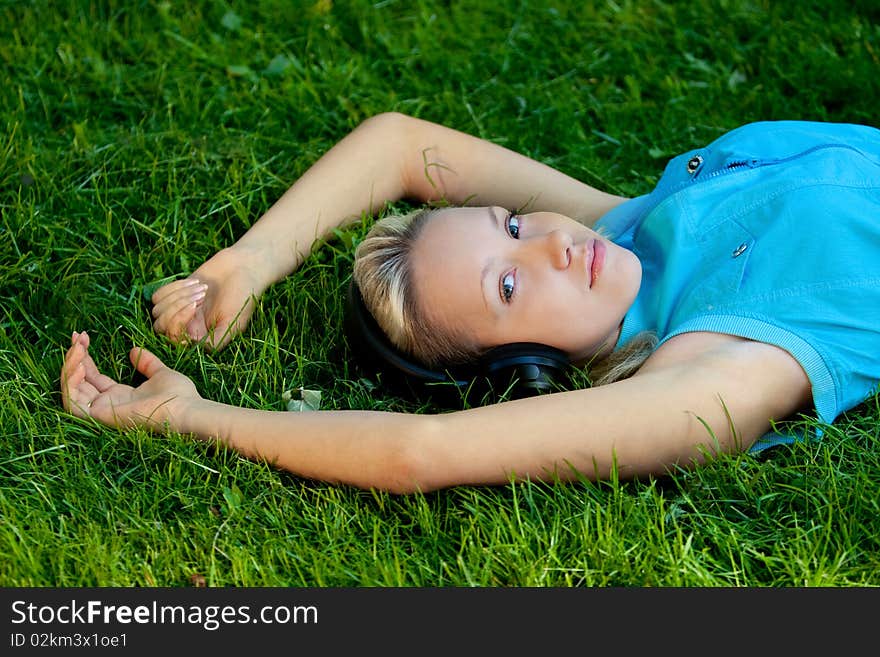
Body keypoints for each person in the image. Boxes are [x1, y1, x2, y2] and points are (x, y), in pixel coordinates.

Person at [60, 112, 880, 494]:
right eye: (510, 285)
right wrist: (196, 415)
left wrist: (252, 258)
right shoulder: (715, 371)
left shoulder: (622, 233)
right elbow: (422, 453)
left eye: (513, 224)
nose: (549, 245)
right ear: (527, 367)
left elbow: (399, 145)